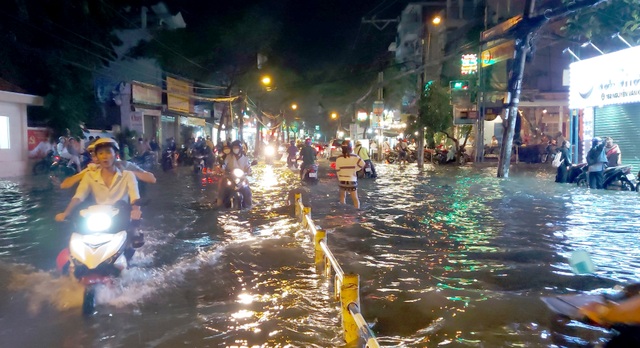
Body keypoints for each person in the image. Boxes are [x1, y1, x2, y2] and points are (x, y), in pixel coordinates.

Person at [55, 138, 143, 246]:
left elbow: (135, 196)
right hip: (99, 217)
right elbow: (79, 196)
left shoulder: (128, 175)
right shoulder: (89, 175)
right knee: (75, 235)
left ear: (115, 154)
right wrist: (66, 212)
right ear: (96, 156)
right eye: (101, 153)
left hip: (121, 214)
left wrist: (135, 210)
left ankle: (132, 238)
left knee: (133, 237)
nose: (104, 156)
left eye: (108, 152)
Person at [60, 142, 156, 189]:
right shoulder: (91, 169)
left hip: (124, 209)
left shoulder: (125, 165)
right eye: (98, 154)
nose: (102, 157)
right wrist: (84, 173)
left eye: (107, 153)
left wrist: (126, 172)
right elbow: (65, 185)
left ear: (114, 154)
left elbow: (151, 179)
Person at [217, 140, 252, 208]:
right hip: (230, 176)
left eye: (237, 147)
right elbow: (224, 164)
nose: (235, 149)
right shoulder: (229, 156)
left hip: (241, 177)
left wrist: (249, 171)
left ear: (240, 148)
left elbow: (248, 167)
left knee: (247, 188)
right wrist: (222, 169)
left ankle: (249, 204)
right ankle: (219, 203)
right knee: (222, 185)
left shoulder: (245, 158)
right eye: (234, 147)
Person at [335, 140, 364, 209]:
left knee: (342, 197)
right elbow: (363, 164)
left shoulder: (339, 158)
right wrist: (355, 169)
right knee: (355, 199)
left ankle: (343, 212)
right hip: (352, 180)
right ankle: (357, 212)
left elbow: (337, 170)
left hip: (342, 180)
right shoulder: (355, 157)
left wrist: (340, 177)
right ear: (351, 148)